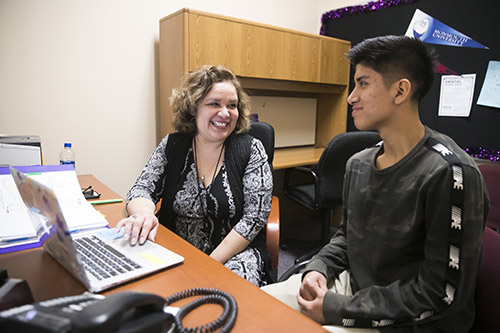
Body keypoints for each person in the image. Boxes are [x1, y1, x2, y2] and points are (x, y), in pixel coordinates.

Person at [262, 35, 489, 332]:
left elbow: (441, 296)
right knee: (259, 305)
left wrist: (335, 309)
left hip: (412, 317)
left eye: (363, 83)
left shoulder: (449, 173)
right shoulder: (358, 163)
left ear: (400, 91)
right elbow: (347, 236)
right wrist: (320, 267)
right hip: (354, 287)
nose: (351, 97)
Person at [116, 65, 274, 286]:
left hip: (233, 254)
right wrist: (144, 213)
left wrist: (207, 264)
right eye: (214, 104)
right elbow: (142, 189)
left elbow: (254, 218)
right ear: (193, 107)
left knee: (227, 300)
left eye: (232, 105)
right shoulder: (172, 145)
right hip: (176, 248)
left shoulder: (251, 149)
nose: (225, 113)